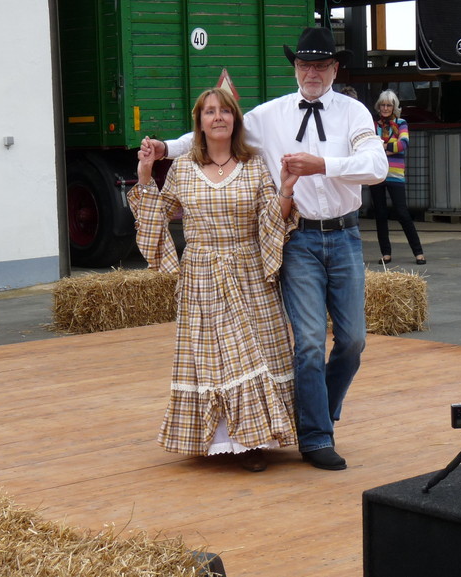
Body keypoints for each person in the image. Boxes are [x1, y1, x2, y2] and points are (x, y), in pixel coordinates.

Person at [157, 27, 388, 470]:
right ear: (295, 68)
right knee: (306, 342)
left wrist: (322, 164)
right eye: (305, 65)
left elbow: (377, 166)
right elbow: (218, 129)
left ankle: (317, 411)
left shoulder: (354, 112)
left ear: (334, 69)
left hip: (344, 235)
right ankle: (316, 436)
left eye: (321, 65)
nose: (312, 73)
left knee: (354, 341)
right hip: (297, 238)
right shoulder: (271, 115)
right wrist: (166, 147)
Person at [129, 88, 299, 473]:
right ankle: (222, 439)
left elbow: (272, 220)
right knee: (214, 360)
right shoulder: (183, 168)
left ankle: (254, 440)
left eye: (225, 111)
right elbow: (157, 217)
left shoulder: (255, 165)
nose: (218, 117)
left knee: (252, 352)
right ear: (199, 122)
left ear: (236, 119)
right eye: (209, 112)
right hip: (202, 274)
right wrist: (144, 175)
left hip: (249, 270)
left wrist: (286, 188)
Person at [370, 89, 424, 266]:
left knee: (402, 213)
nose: (385, 108)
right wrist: (387, 147)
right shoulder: (374, 124)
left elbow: (404, 143)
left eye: (389, 105)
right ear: (379, 107)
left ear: (394, 107)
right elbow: (370, 144)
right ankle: (386, 253)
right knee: (380, 214)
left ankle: (418, 252)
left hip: (395, 174)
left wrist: (383, 146)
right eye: (383, 105)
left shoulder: (401, 123)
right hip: (377, 173)